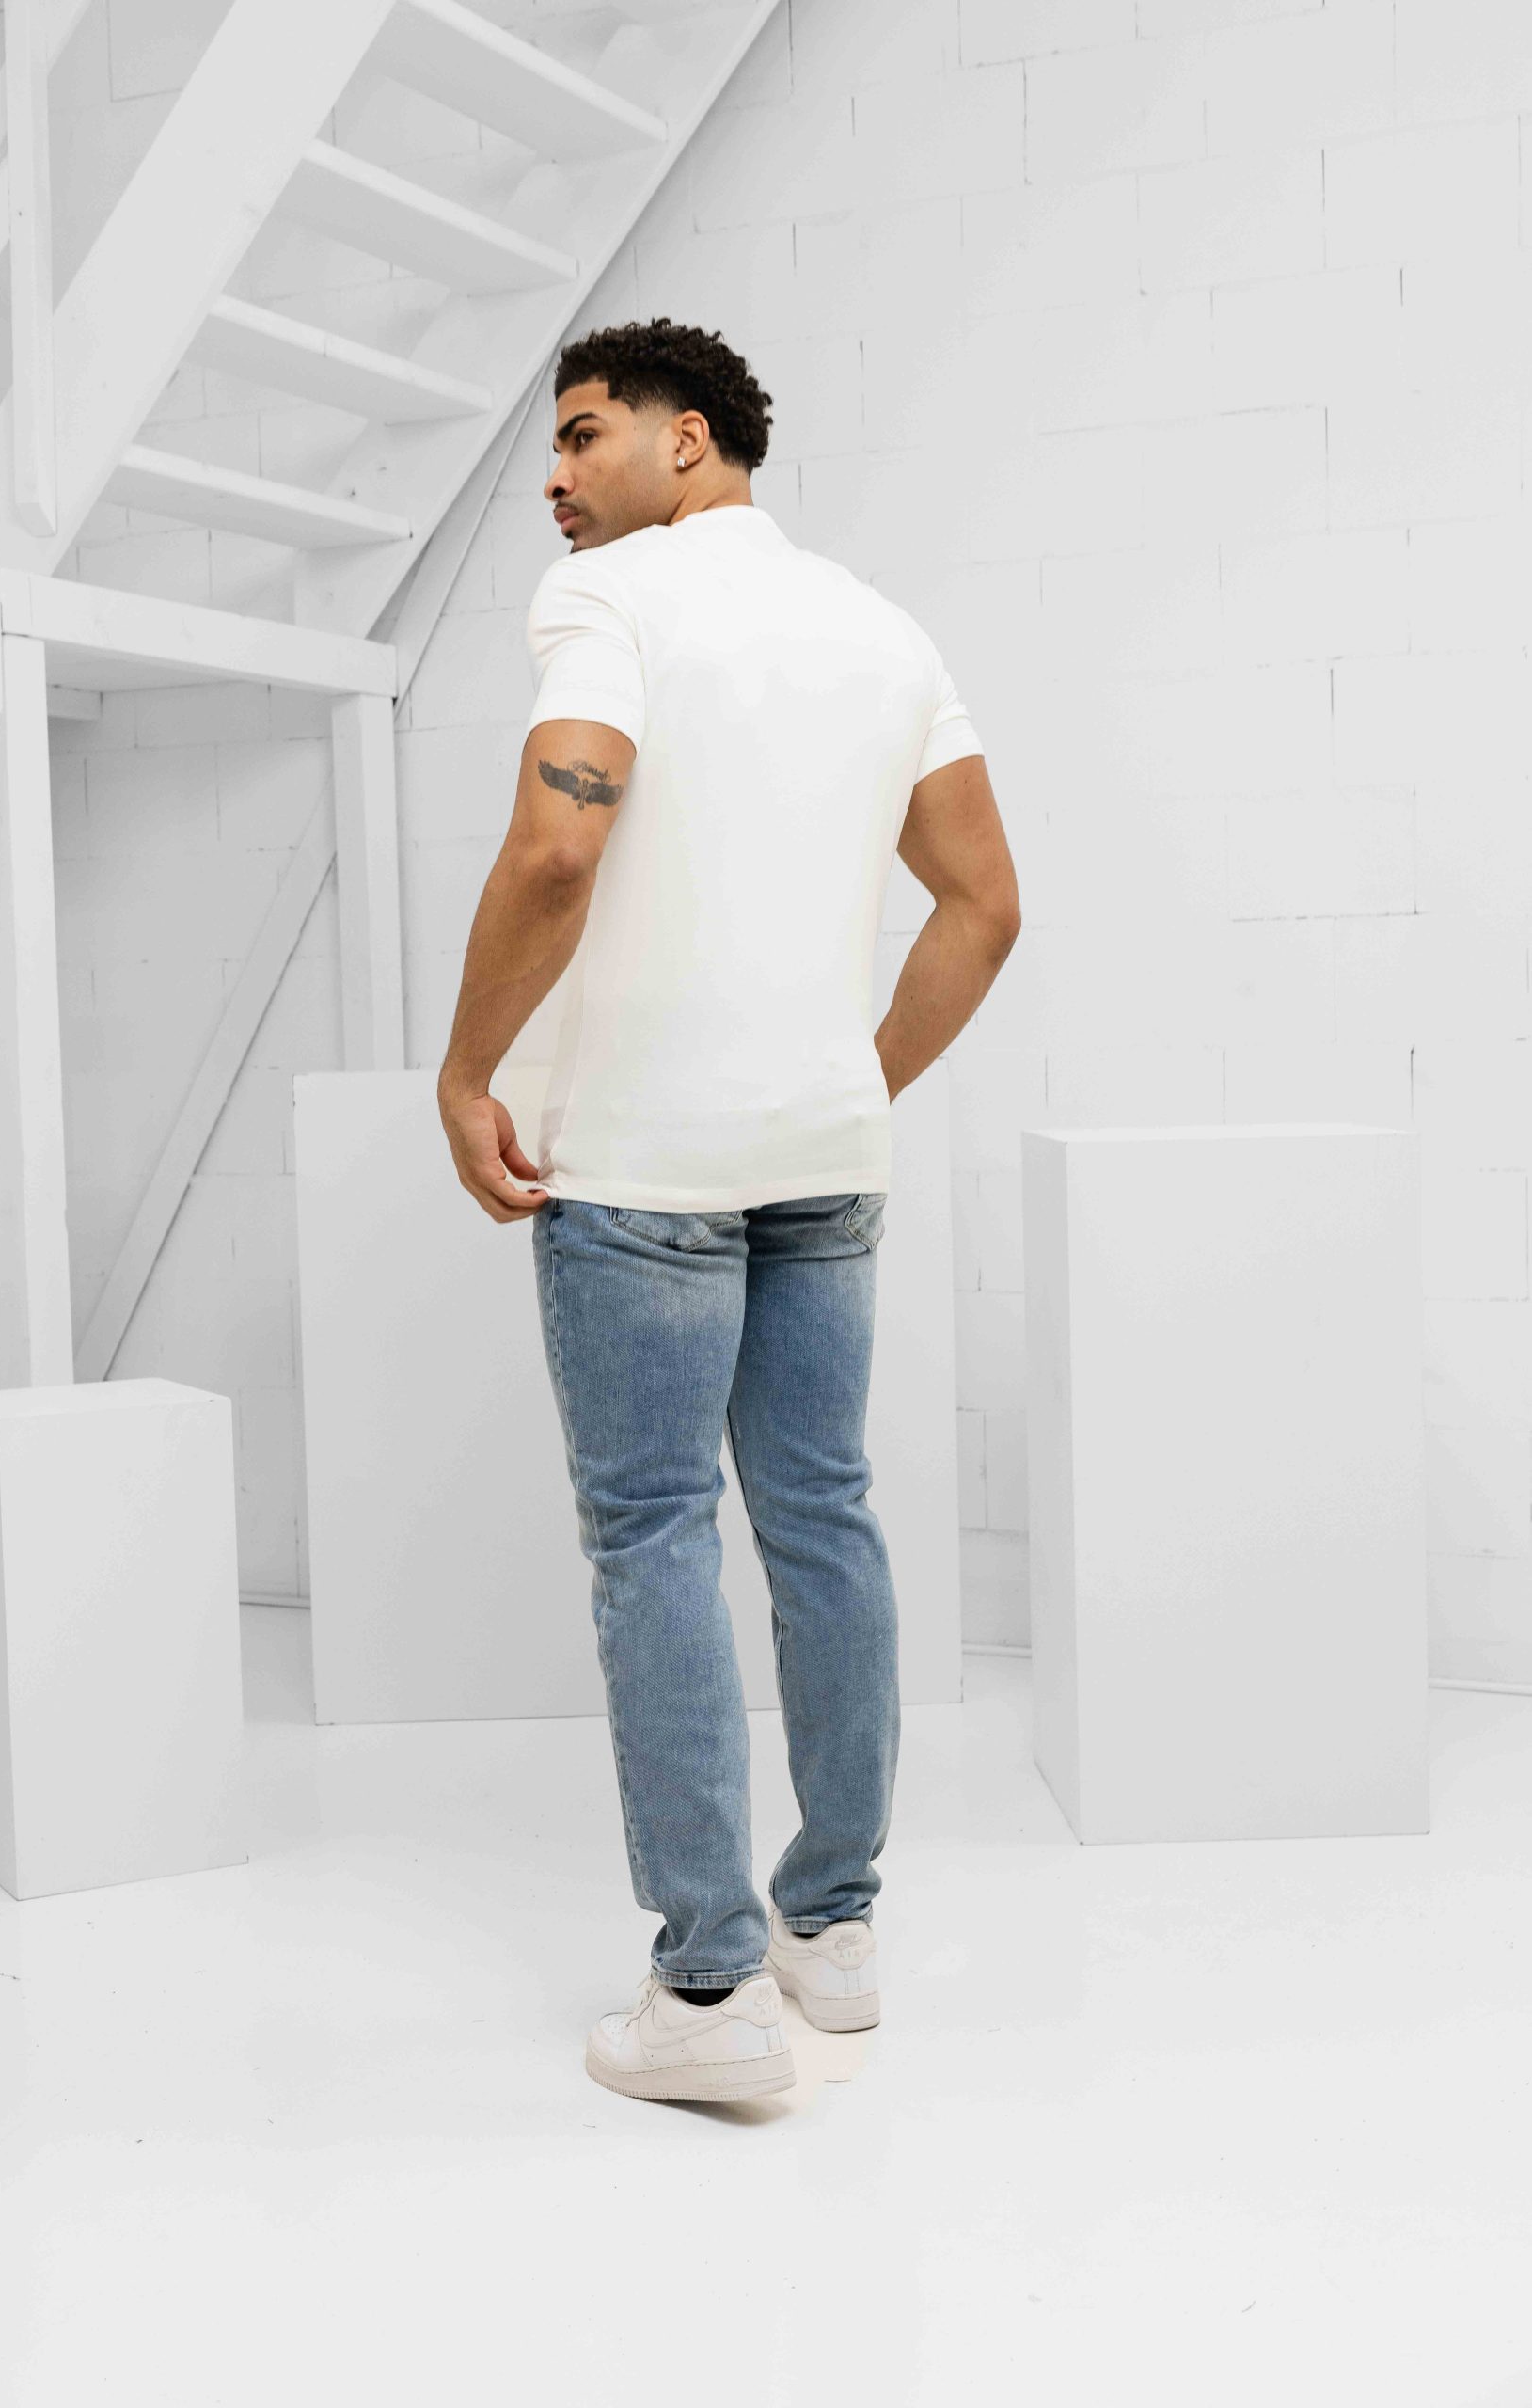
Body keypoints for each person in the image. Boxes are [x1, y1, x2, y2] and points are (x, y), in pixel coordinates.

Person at [436, 316, 1020, 2103]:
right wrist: (854, 1078)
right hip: (821, 1159)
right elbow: (984, 904)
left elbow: (559, 844)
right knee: (824, 1518)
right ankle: (830, 1933)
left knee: (655, 1540)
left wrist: (465, 1071)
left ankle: (704, 2000)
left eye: (583, 435)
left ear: (687, 441)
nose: (554, 476)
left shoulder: (608, 601)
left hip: (642, 1165)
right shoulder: (883, 628)